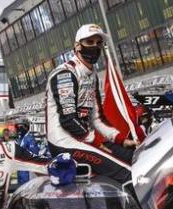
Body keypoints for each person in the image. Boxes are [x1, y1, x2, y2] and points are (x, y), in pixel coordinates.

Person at [45, 23, 131, 183]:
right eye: (89, 42)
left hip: (83, 138)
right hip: (63, 143)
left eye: (98, 43)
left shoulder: (92, 75)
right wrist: (96, 142)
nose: (95, 47)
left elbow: (96, 119)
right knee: (126, 172)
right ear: (77, 46)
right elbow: (68, 119)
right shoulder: (65, 74)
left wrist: (121, 139)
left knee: (133, 156)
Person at [15, 119, 41, 186]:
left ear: (26, 127)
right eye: (17, 127)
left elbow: (34, 155)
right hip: (20, 169)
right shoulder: (19, 139)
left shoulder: (30, 139)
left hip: (27, 170)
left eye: (21, 127)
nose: (19, 129)